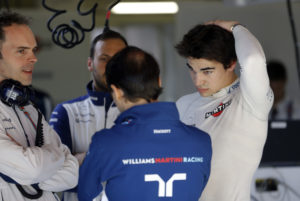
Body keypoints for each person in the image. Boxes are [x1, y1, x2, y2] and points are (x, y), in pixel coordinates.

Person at [77, 46, 212, 201]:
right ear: (159, 82)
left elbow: (85, 195)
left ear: (117, 91)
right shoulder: (202, 141)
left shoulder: (105, 142)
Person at [175, 20, 274, 201]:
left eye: (207, 71)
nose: (198, 81)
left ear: (231, 64)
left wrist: (235, 27)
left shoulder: (249, 100)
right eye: (192, 70)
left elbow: (253, 59)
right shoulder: (183, 104)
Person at [0, 10, 78, 200]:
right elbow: (34, 169)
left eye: (33, 50)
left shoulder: (26, 106)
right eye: (21, 51)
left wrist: (35, 169)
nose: (33, 58)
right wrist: (54, 159)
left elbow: (71, 175)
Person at [49, 30, 127, 201]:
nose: (112, 66)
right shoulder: (66, 112)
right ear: (90, 63)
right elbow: (54, 174)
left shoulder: (140, 112)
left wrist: (81, 160)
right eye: (104, 58)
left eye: (119, 59)